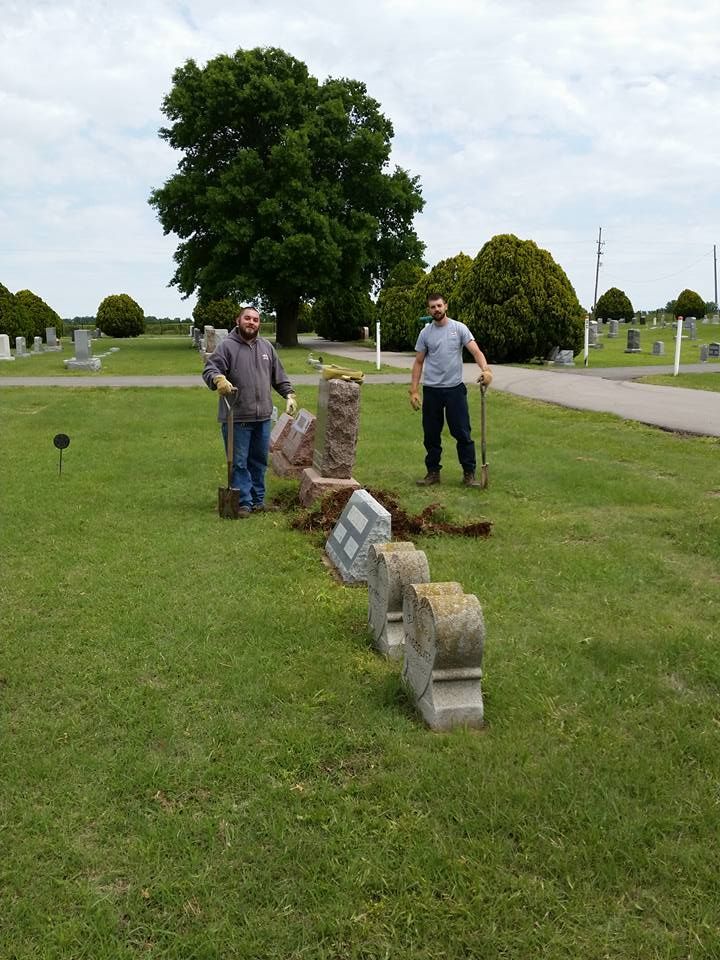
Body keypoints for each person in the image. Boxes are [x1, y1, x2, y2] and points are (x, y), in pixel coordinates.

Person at [202, 305, 298, 517]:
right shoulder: (227, 346)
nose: (251, 322)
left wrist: (289, 394)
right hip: (236, 417)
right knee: (239, 463)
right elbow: (210, 369)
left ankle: (257, 501)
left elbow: (279, 376)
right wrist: (218, 378)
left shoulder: (266, 347)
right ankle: (243, 503)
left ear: (259, 324)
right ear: (238, 321)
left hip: (262, 417)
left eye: (255, 319)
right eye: (247, 318)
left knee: (259, 461)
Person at [408, 293, 493, 487]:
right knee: (431, 435)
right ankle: (433, 473)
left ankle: (469, 474)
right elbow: (418, 362)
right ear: (428, 310)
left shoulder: (459, 328)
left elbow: (476, 351)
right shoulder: (425, 333)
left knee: (462, 432)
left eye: (439, 305)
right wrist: (414, 390)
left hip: (455, 390)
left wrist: (486, 370)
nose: (436, 309)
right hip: (432, 390)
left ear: (445, 306)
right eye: (432, 307)